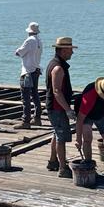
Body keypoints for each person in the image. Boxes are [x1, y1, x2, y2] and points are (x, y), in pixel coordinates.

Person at [44, 36, 78, 178]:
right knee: (61, 137)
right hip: (57, 108)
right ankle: (63, 168)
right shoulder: (58, 67)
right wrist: (68, 110)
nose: (72, 52)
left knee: (57, 133)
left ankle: (53, 161)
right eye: (70, 50)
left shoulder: (58, 64)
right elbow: (57, 91)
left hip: (57, 107)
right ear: (63, 50)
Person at [15, 21, 42, 128]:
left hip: (27, 72)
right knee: (35, 95)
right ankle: (37, 118)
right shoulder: (39, 40)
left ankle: (26, 121)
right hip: (36, 70)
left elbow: (19, 52)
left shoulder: (29, 40)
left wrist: (17, 51)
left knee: (25, 97)